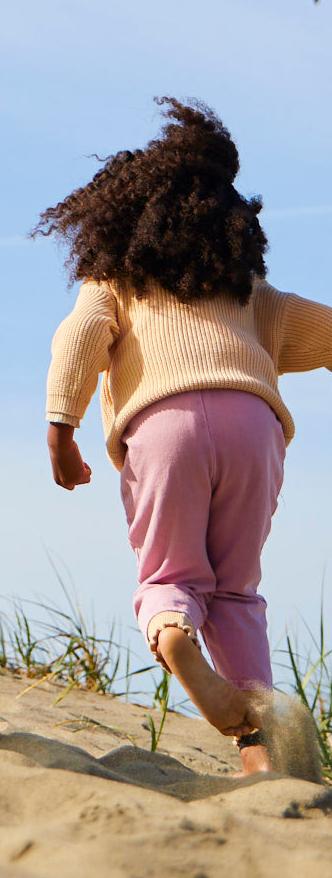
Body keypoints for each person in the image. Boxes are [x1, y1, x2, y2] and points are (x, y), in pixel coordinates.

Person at [35, 98, 332, 775]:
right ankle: (264, 744)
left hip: (161, 426)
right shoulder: (254, 295)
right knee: (235, 591)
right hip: (253, 427)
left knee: (173, 578)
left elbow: (80, 338)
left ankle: (172, 631)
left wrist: (62, 426)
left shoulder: (116, 283)